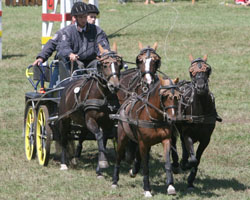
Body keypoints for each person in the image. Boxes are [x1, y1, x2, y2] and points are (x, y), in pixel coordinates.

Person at [57, 1, 110, 71]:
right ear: (75, 18)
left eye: (85, 17)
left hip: (92, 61)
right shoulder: (68, 32)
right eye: (81, 17)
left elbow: (102, 43)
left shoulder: (97, 30)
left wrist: (103, 53)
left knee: (100, 65)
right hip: (75, 62)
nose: (83, 20)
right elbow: (63, 47)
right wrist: (70, 54)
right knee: (80, 66)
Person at [32, 17, 76, 88]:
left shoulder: (92, 33)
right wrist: (41, 57)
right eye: (77, 17)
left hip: (81, 67)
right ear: (73, 18)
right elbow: (51, 44)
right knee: (52, 92)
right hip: (62, 66)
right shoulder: (63, 32)